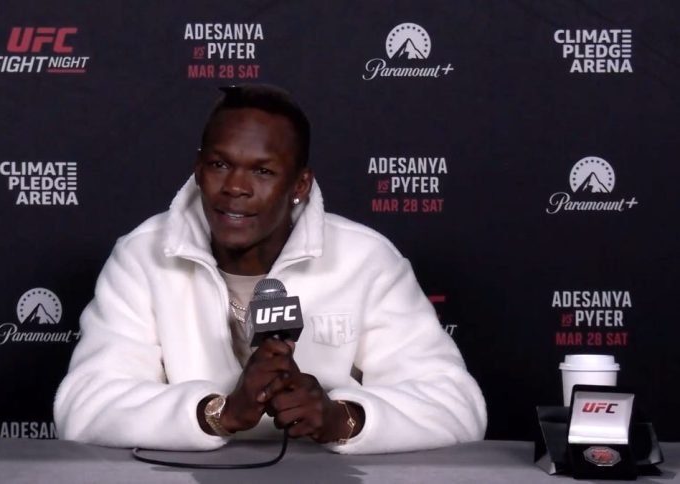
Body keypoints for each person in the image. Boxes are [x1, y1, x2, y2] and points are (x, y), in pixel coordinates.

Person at [54, 84, 486, 454]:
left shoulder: (366, 259)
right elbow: (84, 406)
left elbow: (456, 404)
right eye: (220, 165)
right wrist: (218, 413)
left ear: (300, 185)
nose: (235, 187)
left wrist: (343, 418)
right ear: (198, 169)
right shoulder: (142, 255)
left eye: (262, 171)